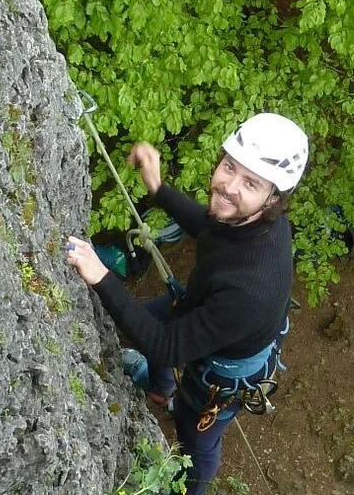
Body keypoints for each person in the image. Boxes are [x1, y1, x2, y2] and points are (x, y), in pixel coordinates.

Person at [66, 113, 308, 494]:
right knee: (140, 319)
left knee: (195, 436)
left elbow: (166, 344)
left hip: (222, 374)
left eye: (250, 182)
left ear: (274, 197)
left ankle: (192, 490)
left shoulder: (250, 291)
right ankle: (160, 387)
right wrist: (159, 189)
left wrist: (101, 276)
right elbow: (210, 227)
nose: (228, 186)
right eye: (229, 167)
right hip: (204, 309)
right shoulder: (256, 221)